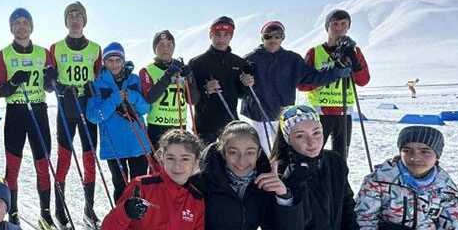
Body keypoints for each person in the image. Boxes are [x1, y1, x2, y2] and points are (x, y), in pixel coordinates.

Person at [241, 21, 352, 156]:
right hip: (257, 117)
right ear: (262, 38)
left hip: (283, 116)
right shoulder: (250, 60)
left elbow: (314, 78)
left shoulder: (292, 59)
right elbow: (238, 90)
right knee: (260, 155)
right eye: (268, 36)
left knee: (283, 155)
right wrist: (243, 83)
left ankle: (282, 177)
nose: (273, 40)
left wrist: (338, 70)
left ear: (283, 38)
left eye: (278, 36)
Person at [0, 8, 57, 230]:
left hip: (38, 111)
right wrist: (12, 83)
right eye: (17, 23)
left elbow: (49, 87)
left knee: (43, 164)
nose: (21, 26)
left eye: (25, 23)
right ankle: (13, 213)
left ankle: (45, 215)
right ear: (11, 28)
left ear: (31, 27)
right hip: (16, 113)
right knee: (13, 167)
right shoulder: (3, 55)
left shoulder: (43, 53)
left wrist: (51, 79)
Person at [50, 1, 104, 230]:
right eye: (70, 15)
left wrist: (95, 89)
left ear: (84, 20)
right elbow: (47, 83)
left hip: (87, 108)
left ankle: (89, 209)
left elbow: (100, 79)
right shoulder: (56, 48)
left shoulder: (95, 49)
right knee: (64, 160)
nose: (74, 19)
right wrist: (57, 85)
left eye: (78, 15)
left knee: (89, 160)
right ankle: (59, 212)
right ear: (66, 21)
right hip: (66, 109)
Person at [300, 9, 371, 159]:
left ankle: (339, 182)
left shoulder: (355, 51)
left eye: (343, 24)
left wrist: (354, 61)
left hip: (344, 113)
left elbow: (363, 81)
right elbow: (302, 84)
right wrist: (330, 73)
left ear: (348, 27)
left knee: (341, 157)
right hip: (320, 113)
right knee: (313, 155)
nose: (339, 28)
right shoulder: (314, 52)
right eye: (334, 24)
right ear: (327, 27)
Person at [87, 43, 151, 203]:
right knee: (121, 187)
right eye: (110, 61)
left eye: (118, 60)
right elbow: (94, 116)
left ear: (123, 61)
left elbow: (145, 108)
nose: (114, 64)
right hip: (114, 145)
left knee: (139, 187)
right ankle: (121, 225)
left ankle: (140, 225)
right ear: (104, 63)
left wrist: (134, 97)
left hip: (137, 144)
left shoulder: (134, 79)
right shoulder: (98, 84)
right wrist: (114, 99)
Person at [189, 16, 256, 144]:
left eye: (226, 35)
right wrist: (206, 90)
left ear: (231, 36)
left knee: (231, 162)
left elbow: (241, 94)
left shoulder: (239, 62)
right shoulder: (196, 63)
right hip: (205, 125)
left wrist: (247, 84)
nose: (221, 39)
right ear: (211, 35)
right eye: (217, 34)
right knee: (205, 162)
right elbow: (191, 98)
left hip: (230, 123)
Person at [138, 30, 200, 148]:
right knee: (158, 164)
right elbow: (149, 98)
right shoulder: (147, 71)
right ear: (154, 49)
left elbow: (193, 100)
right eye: (160, 45)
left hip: (179, 125)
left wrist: (190, 79)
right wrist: (168, 75)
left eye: (169, 44)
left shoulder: (182, 69)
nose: (165, 48)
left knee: (179, 164)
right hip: (157, 125)